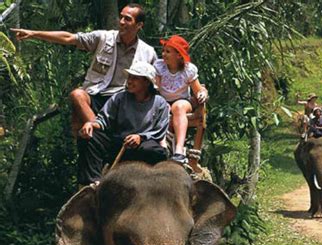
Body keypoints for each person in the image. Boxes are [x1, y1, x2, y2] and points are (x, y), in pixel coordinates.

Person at [11, 4, 158, 134]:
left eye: (127, 19)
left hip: (123, 99)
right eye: (121, 17)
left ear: (139, 25)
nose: (121, 22)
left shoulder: (148, 52)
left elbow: (154, 85)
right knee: (77, 95)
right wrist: (33, 33)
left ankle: (99, 133)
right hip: (96, 93)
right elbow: (69, 38)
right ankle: (99, 130)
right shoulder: (103, 38)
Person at [77, 61, 169, 186]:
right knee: (89, 137)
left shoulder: (160, 103)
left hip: (142, 146)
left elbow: (159, 131)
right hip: (119, 143)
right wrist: (91, 125)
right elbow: (104, 120)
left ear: (147, 82)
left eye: (135, 78)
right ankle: (92, 182)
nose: (129, 81)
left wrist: (140, 137)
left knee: (155, 152)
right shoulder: (119, 98)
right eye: (129, 77)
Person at [153, 35, 208, 164]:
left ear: (178, 55)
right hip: (163, 100)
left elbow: (198, 89)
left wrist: (202, 94)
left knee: (178, 107)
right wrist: (161, 101)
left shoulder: (188, 70)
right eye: (163, 51)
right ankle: (163, 143)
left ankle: (179, 149)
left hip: (182, 101)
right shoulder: (159, 66)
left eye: (168, 52)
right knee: (162, 105)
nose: (164, 54)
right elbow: (156, 88)